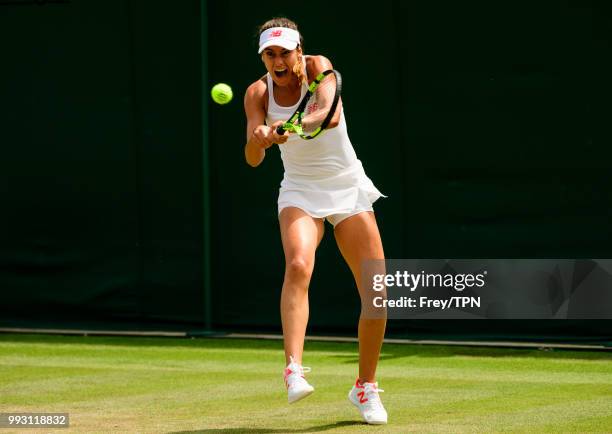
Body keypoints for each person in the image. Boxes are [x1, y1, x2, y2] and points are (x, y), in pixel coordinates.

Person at [243, 17, 388, 425]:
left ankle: (366, 387)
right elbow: (253, 159)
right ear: (263, 58)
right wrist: (258, 139)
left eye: (284, 52)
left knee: (377, 291)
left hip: (348, 186)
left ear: (299, 51)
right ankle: (293, 369)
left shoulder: (318, 67)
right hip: (300, 191)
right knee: (298, 264)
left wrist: (288, 127)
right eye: (269, 54)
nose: (278, 60)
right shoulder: (257, 92)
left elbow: (328, 115)